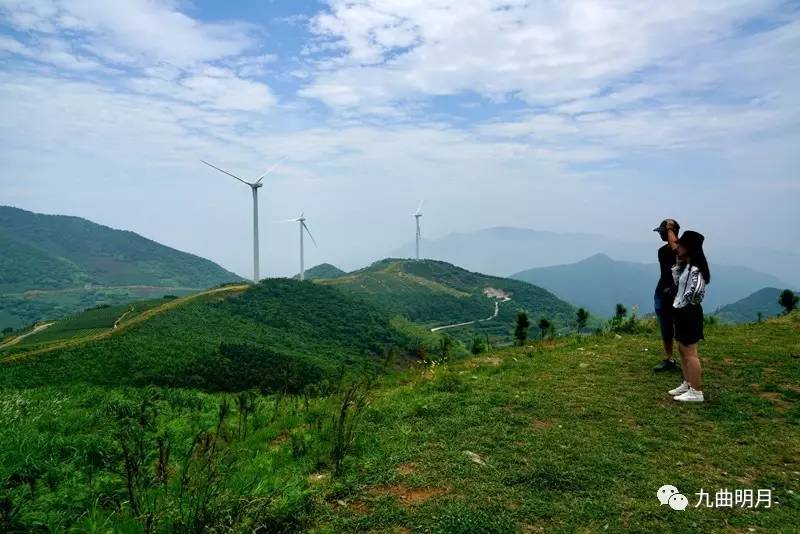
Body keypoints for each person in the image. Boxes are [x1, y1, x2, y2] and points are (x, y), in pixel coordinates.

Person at [666, 230, 710, 403]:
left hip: (689, 312)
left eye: (682, 244)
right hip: (682, 310)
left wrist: (684, 303)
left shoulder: (696, 270)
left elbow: (697, 292)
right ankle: (688, 382)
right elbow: (678, 282)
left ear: (690, 247)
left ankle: (696, 391)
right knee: (682, 349)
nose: (678, 247)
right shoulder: (688, 266)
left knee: (690, 352)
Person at [652, 219, 680, 372]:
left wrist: (670, 230)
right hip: (662, 292)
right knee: (666, 326)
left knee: (680, 327)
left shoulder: (684, 249)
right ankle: (669, 358)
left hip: (677, 293)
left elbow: (677, 251)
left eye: (663, 232)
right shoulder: (662, 251)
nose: (661, 235)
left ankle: (685, 358)